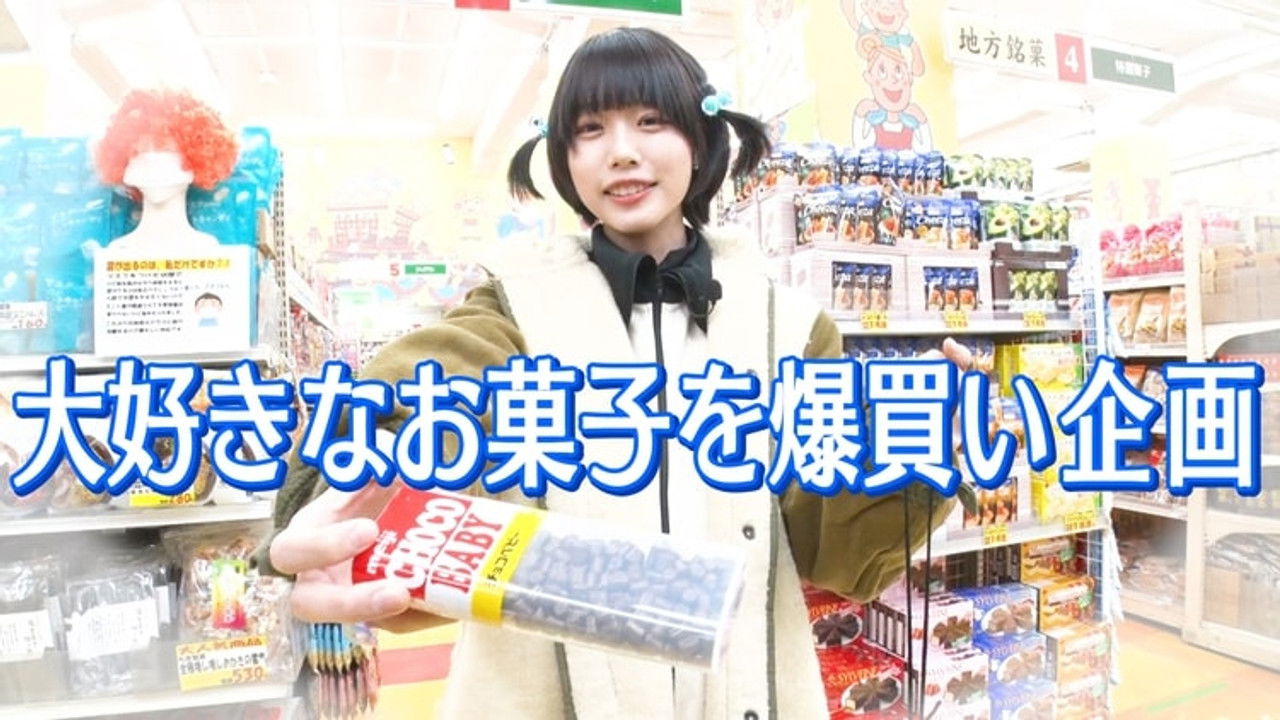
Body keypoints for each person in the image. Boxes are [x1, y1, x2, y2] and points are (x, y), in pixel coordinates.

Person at [261, 26, 967, 719]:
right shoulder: (510, 310)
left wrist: (919, 451)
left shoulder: (789, 327)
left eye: (652, 121)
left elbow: (833, 547)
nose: (622, 152)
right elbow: (407, 395)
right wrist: (335, 494)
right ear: (563, 158)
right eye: (590, 130)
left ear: (701, 137)